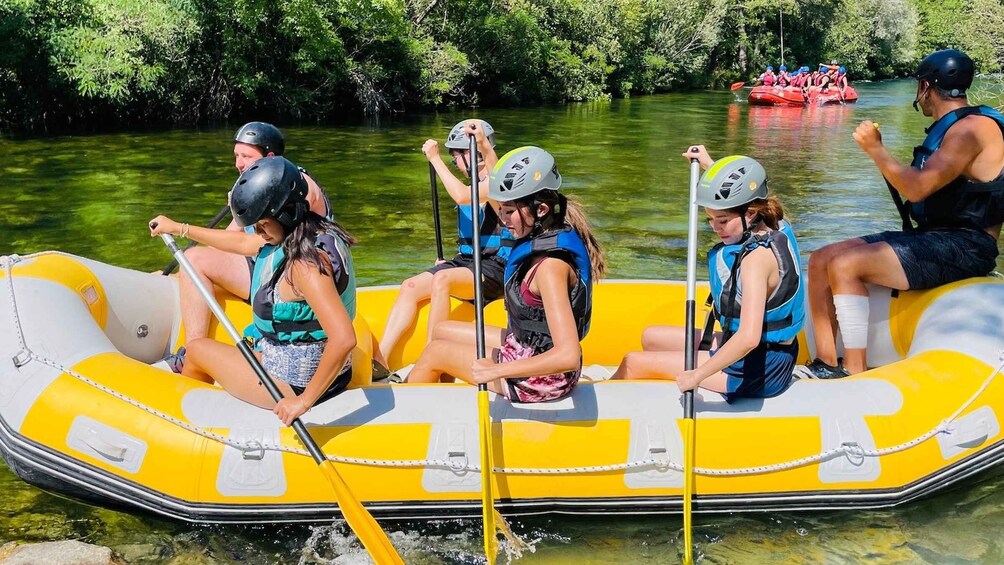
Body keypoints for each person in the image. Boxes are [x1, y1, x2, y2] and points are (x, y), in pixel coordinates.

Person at [799, 49, 1004, 378]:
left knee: (845, 264)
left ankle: (853, 369)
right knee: (822, 258)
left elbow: (917, 188)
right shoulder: (950, 129)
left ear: (926, 87)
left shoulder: (971, 130)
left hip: (967, 246)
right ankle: (825, 361)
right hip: (934, 237)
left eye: (919, 86)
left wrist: (875, 149)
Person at [149, 156, 357, 425]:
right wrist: (181, 228)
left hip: (298, 384)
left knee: (197, 349)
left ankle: (184, 426)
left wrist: (302, 402)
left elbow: (344, 338)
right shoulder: (307, 228)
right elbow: (240, 242)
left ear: (287, 213)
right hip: (300, 364)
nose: (259, 232)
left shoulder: (305, 266)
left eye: (262, 225)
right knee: (211, 350)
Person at [406, 146, 606, 403]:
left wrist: (498, 370)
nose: (502, 220)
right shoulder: (543, 236)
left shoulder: (550, 268)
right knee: (442, 330)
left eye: (509, 211)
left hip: (542, 380)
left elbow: (568, 355)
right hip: (525, 349)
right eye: (499, 210)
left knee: (435, 351)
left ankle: (415, 408)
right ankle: (445, 398)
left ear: (541, 210)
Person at [612, 148, 804, 403]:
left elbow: (748, 338)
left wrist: (697, 376)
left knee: (633, 362)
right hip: (754, 348)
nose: (715, 228)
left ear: (750, 214)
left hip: (760, 365)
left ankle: (601, 408)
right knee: (651, 336)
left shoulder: (756, 260)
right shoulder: (773, 220)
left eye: (722, 220)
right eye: (710, 219)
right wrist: (710, 167)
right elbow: (741, 194)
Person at [166, 122, 331, 370]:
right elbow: (229, 239)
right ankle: (195, 352)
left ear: (270, 157)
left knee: (194, 259)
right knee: (194, 259)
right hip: (271, 267)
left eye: (246, 156)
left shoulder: (298, 187)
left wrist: (183, 230)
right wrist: (180, 274)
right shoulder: (263, 181)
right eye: (236, 156)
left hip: (294, 279)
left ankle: (194, 354)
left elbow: (257, 243)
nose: (239, 164)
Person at [376, 119, 511, 369]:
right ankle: (381, 360)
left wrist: (435, 159)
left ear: (472, 155)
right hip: (469, 263)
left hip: (497, 268)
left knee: (443, 280)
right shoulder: (475, 184)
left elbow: (462, 197)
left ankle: (431, 356)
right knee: (410, 286)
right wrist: (449, 263)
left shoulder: (497, 184)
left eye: (455, 158)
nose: (455, 164)